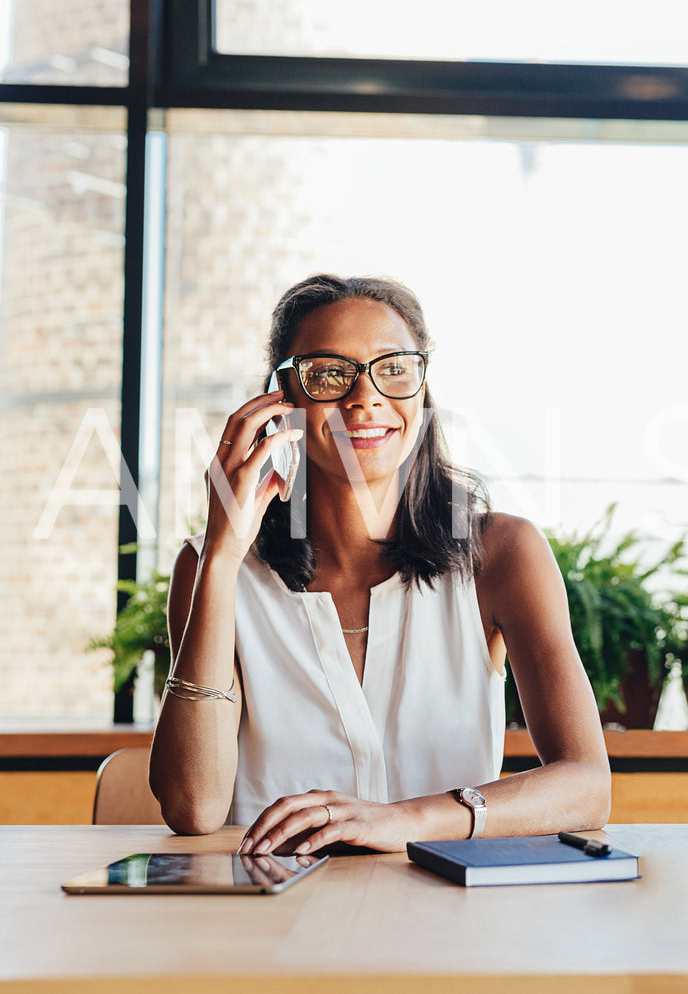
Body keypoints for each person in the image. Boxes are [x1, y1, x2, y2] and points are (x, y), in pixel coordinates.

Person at [149, 273, 610, 855]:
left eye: (394, 368)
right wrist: (221, 556)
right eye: (329, 374)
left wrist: (406, 821)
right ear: (280, 400)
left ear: (422, 391)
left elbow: (588, 786)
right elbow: (193, 807)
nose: (366, 398)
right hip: (271, 924)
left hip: (446, 917)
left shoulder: (502, 554)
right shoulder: (213, 568)